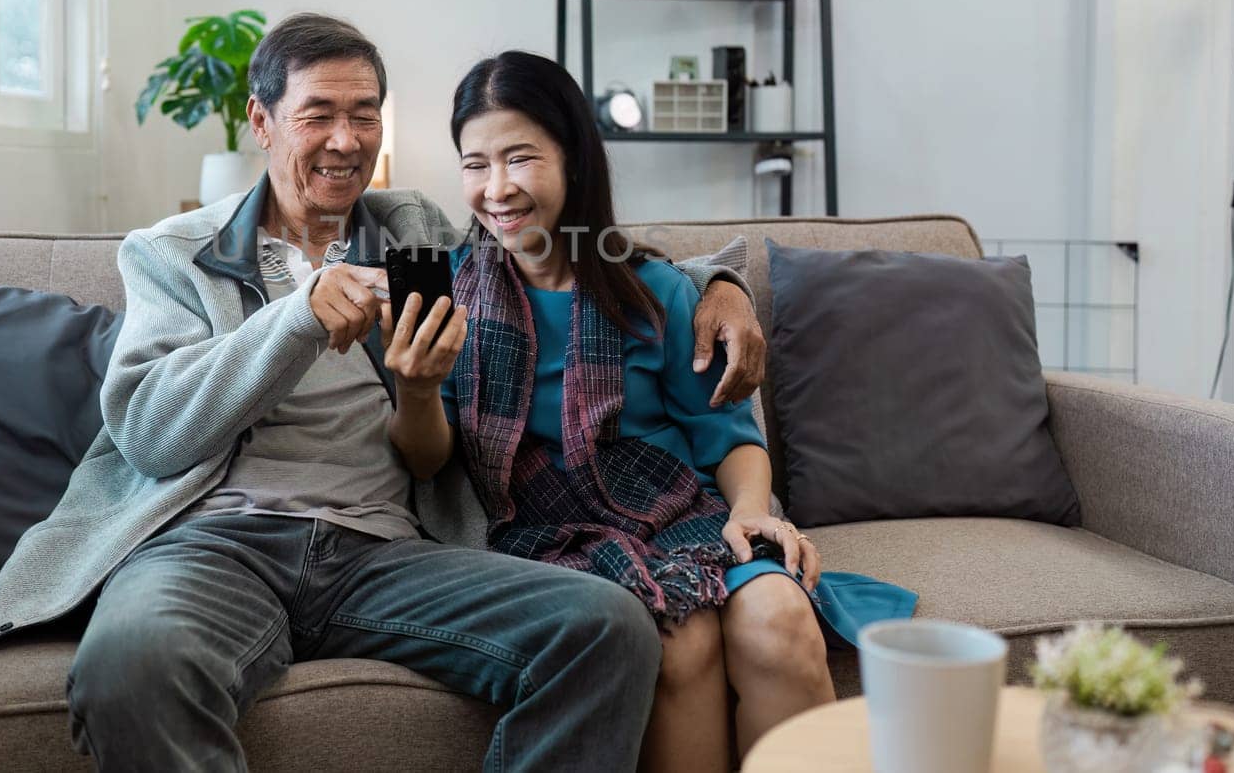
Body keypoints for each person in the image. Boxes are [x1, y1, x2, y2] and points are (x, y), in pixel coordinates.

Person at [0, 15, 771, 772]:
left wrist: (716, 285)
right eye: (318, 114)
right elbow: (151, 432)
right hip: (211, 546)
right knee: (127, 664)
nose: (346, 140)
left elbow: (552, 248)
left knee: (607, 627)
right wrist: (298, 319)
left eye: (366, 113)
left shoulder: (413, 229)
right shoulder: (175, 254)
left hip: (383, 552)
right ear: (262, 120)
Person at [382, 51, 918, 772]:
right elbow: (427, 458)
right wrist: (416, 389)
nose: (496, 187)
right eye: (475, 164)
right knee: (679, 637)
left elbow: (728, 434)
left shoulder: (655, 291)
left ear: (573, 158)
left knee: (780, 618)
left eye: (519, 158)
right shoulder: (448, 291)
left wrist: (753, 511)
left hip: (682, 514)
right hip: (548, 534)